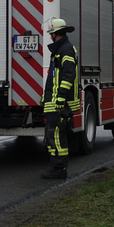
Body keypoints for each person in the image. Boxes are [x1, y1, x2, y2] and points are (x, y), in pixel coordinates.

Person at [41, 18, 79, 179]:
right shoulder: (60, 50)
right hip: (54, 102)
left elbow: (69, 75)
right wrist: (46, 97)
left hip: (59, 103)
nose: (50, 37)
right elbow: (54, 78)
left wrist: (61, 98)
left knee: (56, 135)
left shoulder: (66, 50)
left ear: (56, 34)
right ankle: (55, 166)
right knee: (52, 135)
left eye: (51, 34)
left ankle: (59, 168)